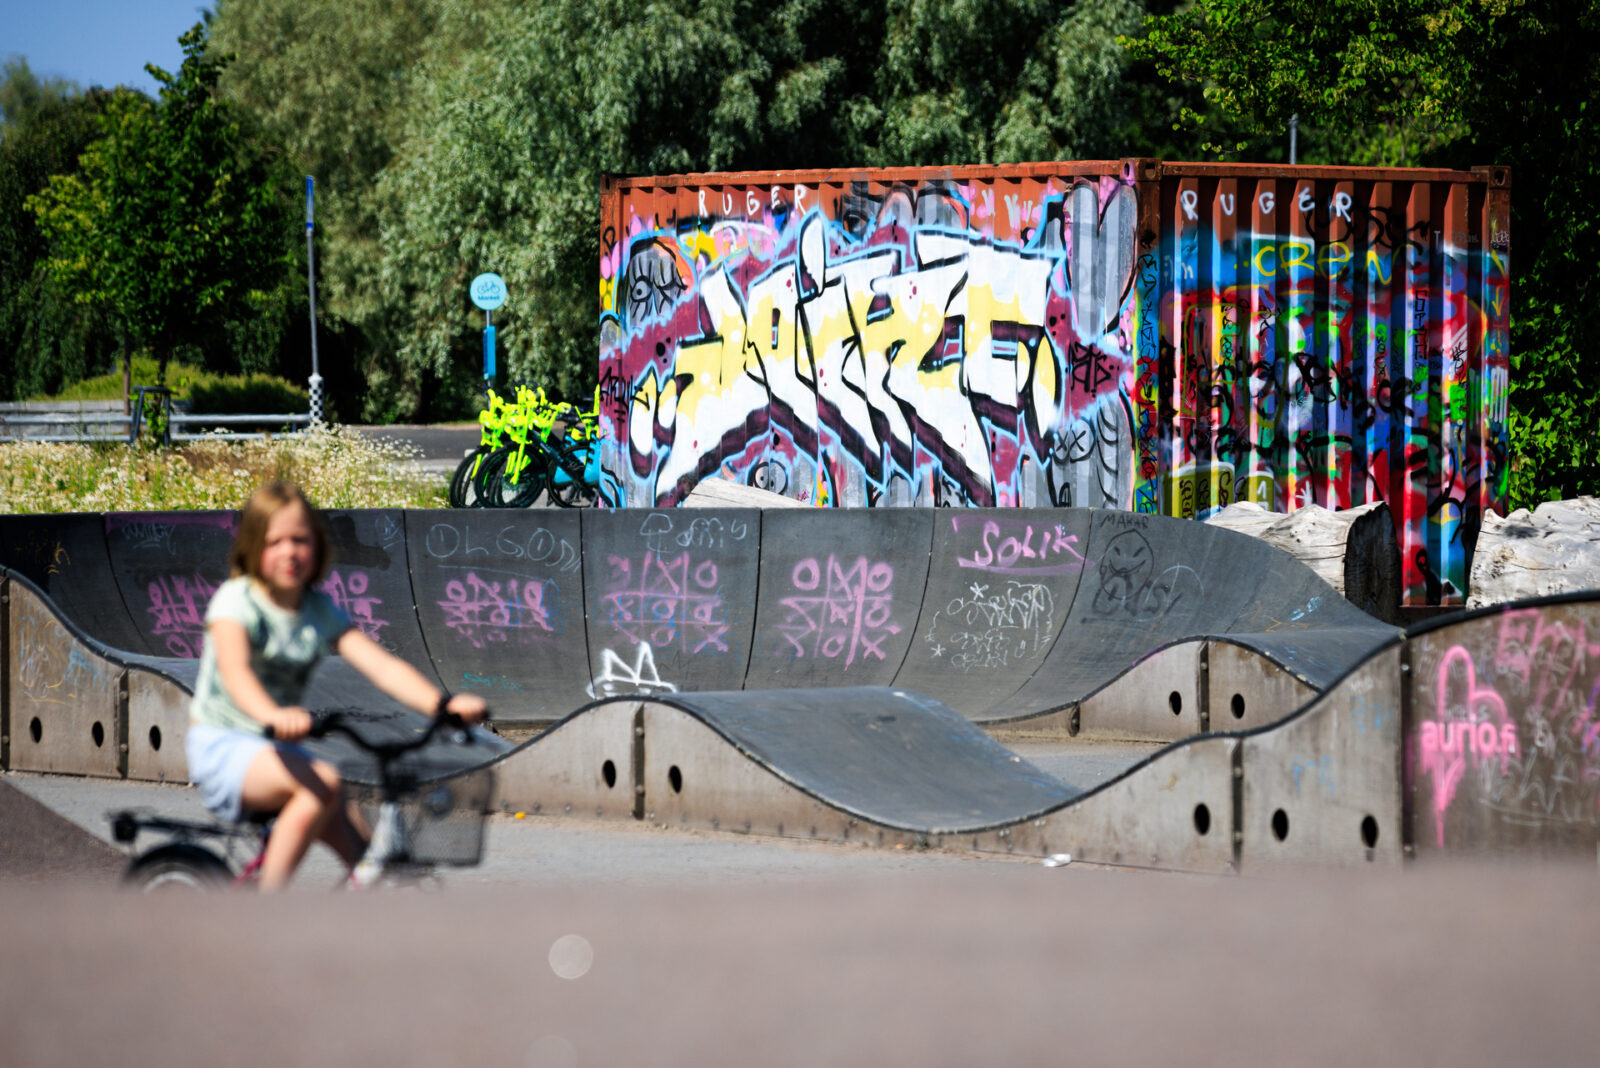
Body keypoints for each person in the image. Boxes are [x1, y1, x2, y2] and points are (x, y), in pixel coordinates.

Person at [184, 482, 488, 891]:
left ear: (318, 546)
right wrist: (272, 714)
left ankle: (363, 922)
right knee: (323, 782)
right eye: (275, 542)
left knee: (362, 846)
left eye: (300, 540)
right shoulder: (236, 601)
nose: (289, 552)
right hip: (225, 745)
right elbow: (238, 674)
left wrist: (442, 706)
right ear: (254, 546)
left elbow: (380, 666)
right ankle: (260, 916)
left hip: (277, 748)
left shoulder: (316, 610)